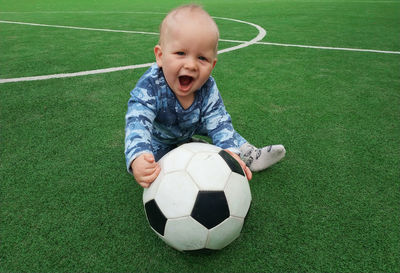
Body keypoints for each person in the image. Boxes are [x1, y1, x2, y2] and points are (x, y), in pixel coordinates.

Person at [125, 4, 285, 188]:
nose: (191, 65)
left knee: (222, 128)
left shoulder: (208, 86)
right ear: (160, 56)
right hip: (161, 137)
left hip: (195, 123)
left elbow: (219, 119)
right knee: (160, 167)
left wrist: (230, 153)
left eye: (202, 58)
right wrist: (138, 156)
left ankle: (249, 154)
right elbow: (137, 121)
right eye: (180, 53)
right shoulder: (151, 84)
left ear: (212, 65)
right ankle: (187, 146)